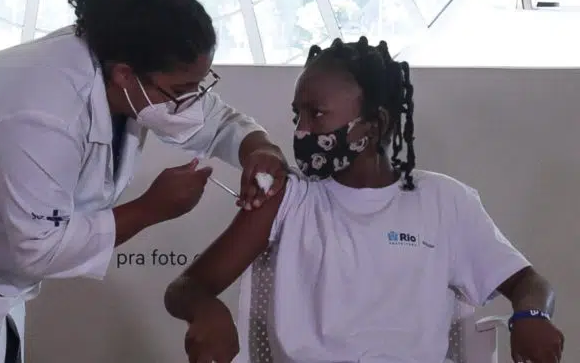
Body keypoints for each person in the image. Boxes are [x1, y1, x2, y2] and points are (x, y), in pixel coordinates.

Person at [0, 0, 289, 362]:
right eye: (182, 90)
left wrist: (258, 146)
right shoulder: (40, 108)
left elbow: (208, 118)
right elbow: (39, 250)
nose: (193, 101)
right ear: (125, 75)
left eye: (201, 84)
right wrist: (153, 208)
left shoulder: (130, 71)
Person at [164, 38, 564, 363]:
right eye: (297, 115)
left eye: (316, 114)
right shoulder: (286, 198)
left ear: (375, 126)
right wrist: (205, 309)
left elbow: (528, 282)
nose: (301, 131)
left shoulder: (445, 201)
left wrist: (531, 315)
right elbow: (187, 287)